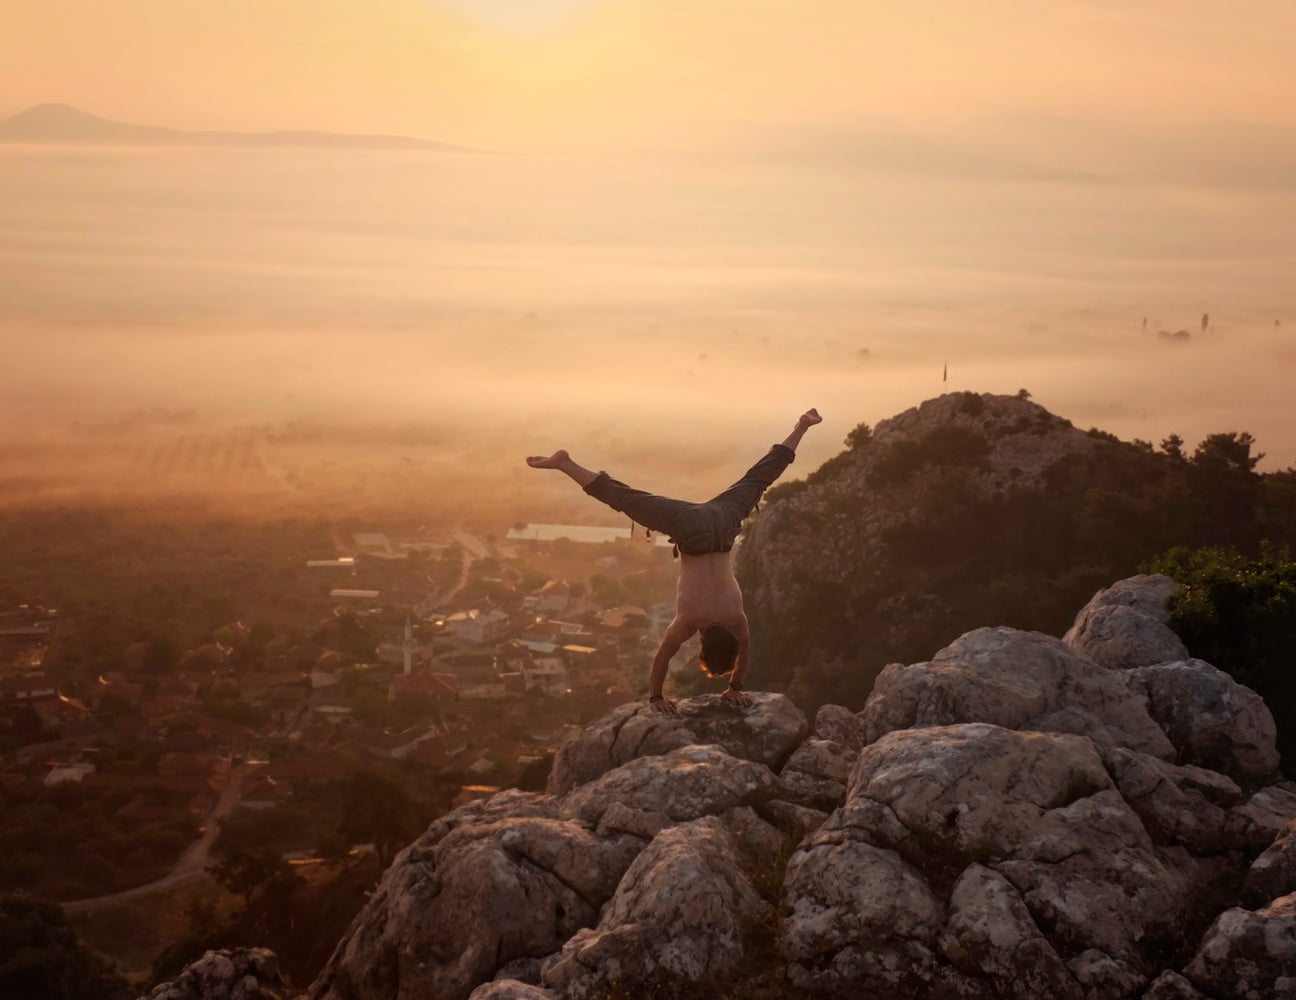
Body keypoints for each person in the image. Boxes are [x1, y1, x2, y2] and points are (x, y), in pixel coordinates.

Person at [526, 408, 822, 714]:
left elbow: (744, 652)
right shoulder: (690, 621)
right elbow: (663, 657)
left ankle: (802, 426)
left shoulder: (737, 621)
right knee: (628, 500)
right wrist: (656, 698)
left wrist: (736, 686)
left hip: (724, 523)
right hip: (690, 531)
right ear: (702, 649)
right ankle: (564, 464)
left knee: (759, 478)